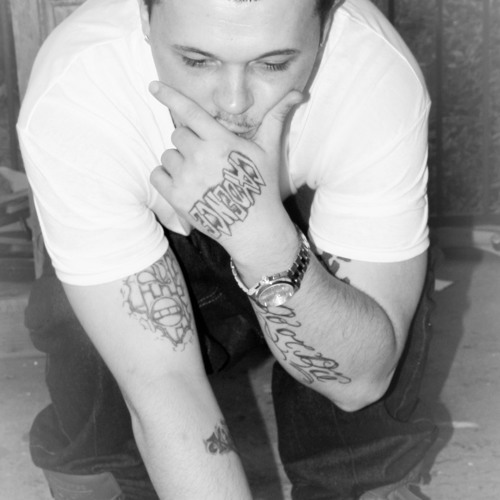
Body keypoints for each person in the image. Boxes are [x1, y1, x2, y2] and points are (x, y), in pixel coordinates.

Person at [17, 0, 437, 498]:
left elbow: (361, 381)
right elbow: (162, 382)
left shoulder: (375, 74)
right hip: (160, 239)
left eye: (273, 63)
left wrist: (261, 235)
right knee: (83, 311)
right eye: (196, 61)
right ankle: (101, 466)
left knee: (378, 287)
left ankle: (364, 476)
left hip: (293, 229)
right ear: (145, 20)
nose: (233, 102)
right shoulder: (76, 92)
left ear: (325, 27)